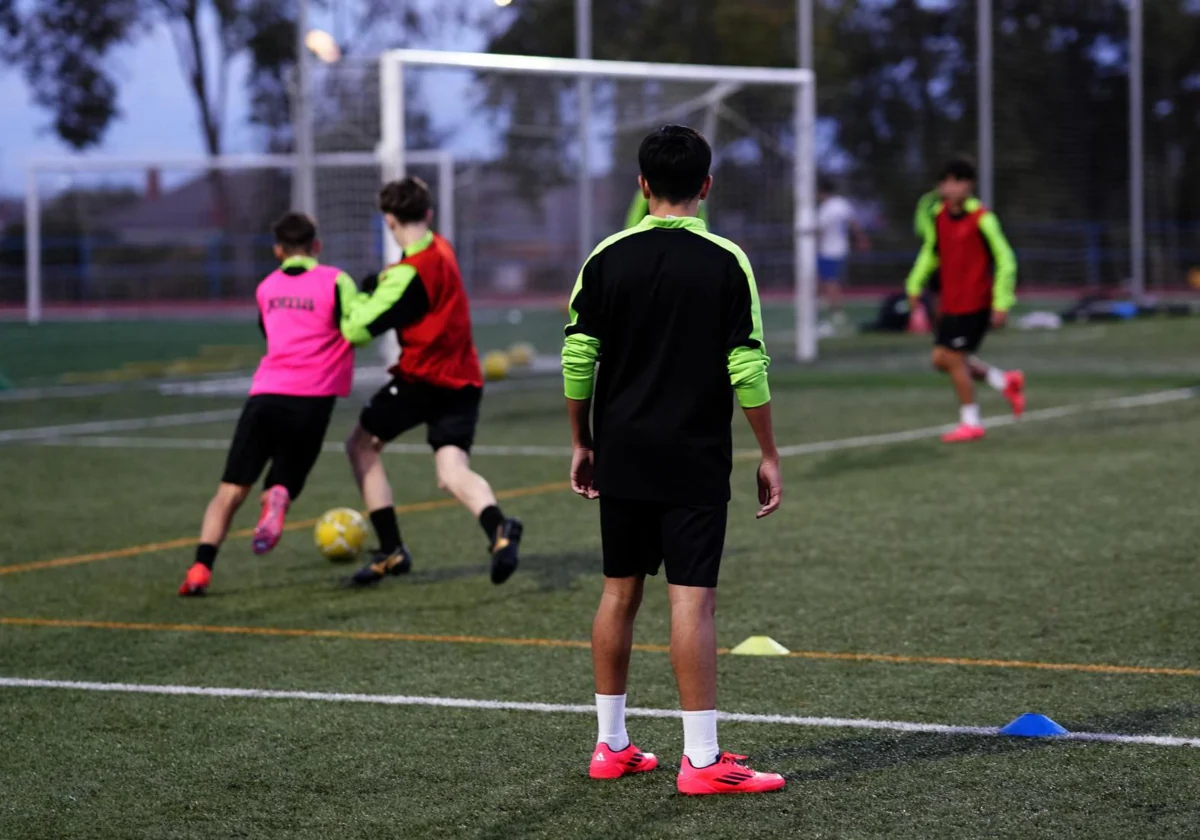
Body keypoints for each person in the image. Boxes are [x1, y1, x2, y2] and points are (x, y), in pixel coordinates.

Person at [563, 125, 785, 796]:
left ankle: (611, 745)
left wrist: (582, 440)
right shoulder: (726, 260)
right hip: (692, 453)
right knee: (693, 602)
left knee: (618, 592)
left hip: (623, 451)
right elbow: (746, 365)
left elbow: (578, 356)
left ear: (642, 186)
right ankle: (702, 760)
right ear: (706, 186)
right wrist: (768, 452)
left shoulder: (605, 256)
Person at [341, 176, 522, 587]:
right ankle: (498, 529)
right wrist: (383, 283)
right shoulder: (442, 248)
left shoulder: (407, 275)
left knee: (360, 446)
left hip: (422, 380)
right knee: (451, 469)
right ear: (428, 214)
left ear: (389, 220)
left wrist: (350, 297)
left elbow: (358, 330)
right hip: (464, 380)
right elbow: (408, 281)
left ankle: (391, 551)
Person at [179, 213, 359, 596]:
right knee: (283, 481)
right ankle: (277, 495)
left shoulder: (266, 287)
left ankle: (200, 568)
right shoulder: (336, 280)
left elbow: (269, 332)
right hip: (313, 398)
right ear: (317, 245)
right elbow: (356, 326)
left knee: (229, 491)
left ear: (277, 250)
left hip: (266, 394)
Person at [905, 156, 1025, 443]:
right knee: (940, 359)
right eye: (945, 181)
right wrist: (914, 285)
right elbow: (931, 253)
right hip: (952, 303)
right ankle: (1004, 380)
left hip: (977, 302)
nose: (950, 186)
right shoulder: (939, 217)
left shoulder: (982, 218)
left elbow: (1006, 259)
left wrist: (1002, 301)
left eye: (957, 180)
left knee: (954, 358)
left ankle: (971, 422)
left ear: (969, 184)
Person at [816, 176, 869, 324]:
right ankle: (827, 305)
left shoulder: (825, 209)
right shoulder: (842, 204)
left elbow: (819, 231)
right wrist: (861, 239)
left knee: (831, 283)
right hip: (841, 249)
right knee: (826, 281)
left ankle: (838, 312)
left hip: (828, 250)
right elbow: (854, 223)